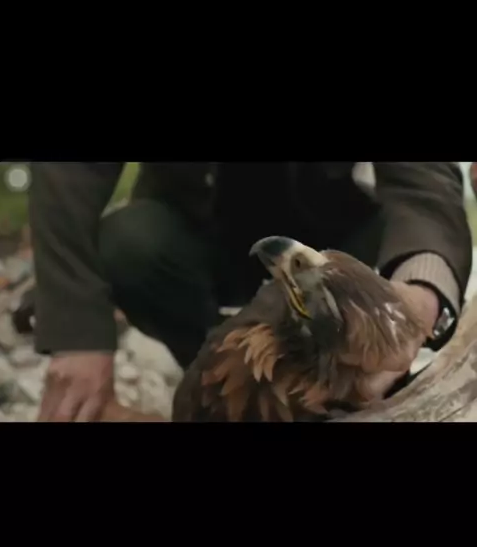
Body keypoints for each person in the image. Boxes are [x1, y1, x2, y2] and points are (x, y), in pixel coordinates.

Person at [28, 162, 473, 423]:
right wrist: (76, 332)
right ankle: (223, 393)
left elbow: (426, 186)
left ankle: (342, 391)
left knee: (353, 295)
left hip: (340, 239)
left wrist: (416, 303)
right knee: (129, 244)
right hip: (195, 233)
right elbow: (70, 173)